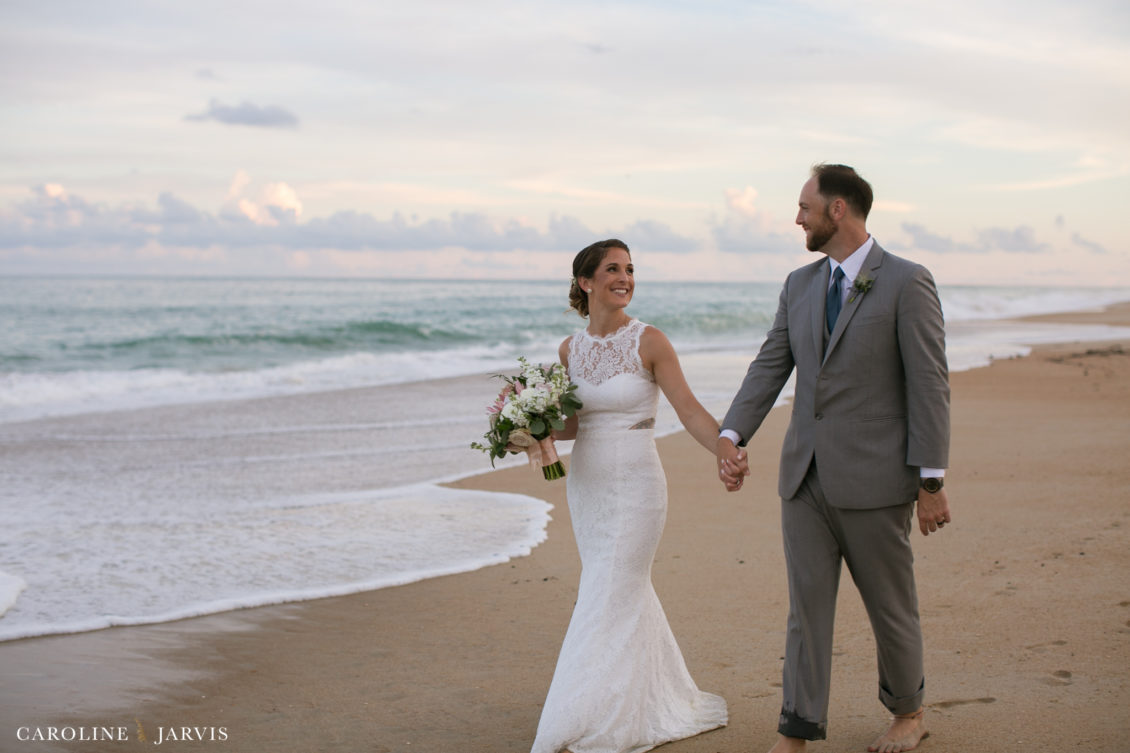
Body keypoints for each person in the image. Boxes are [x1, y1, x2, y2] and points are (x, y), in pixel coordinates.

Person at [716, 164, 951, 753]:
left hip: (877, 476)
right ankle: (796, 731)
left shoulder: (905, 281)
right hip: (803, 477)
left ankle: (908, 714)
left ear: (838, 209)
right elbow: (772, 364)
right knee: (806, 612)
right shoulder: (798, 285)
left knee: (890, 607)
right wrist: (732, 432)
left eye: (804, 206)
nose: (797, 217)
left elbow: (929, 384)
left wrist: (931, 480)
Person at [530, 239, 728, 753]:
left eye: (630, 269)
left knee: (609, 588)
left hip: (638, 484)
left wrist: (725, 448)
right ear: (585, 282)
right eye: (612, 269)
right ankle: (638, 697)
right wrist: (527, 429)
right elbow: (574, 424)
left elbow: (687, 409)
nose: (625, 277)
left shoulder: (651, 341)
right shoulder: (569, 350)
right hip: (588, 485)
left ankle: (588, 716)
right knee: (614, 587)